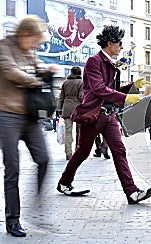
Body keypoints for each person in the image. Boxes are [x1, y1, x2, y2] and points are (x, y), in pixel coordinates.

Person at [57, 25, 151, 205]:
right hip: (93, 115)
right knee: (83, 152)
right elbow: (99, 90)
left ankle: (132, 193)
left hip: (109, 116)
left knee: (119, 150)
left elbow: (112, 91)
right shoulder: (93, 62)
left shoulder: (112, 65)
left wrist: (131, 85)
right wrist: (126, 97)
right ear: (110, 43)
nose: (121, 47)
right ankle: (64, 183)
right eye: (119, 43)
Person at [0, 15, 53, 237]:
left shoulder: (29, 51)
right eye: (34, 41)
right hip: (7, 115)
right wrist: (36, 80)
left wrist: (47, 69)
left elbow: (37, 66)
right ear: (24, 34)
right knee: (13, 169)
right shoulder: (4, 47)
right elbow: (12, 71)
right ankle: (13, 219)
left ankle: (37, 204)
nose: (35, 46)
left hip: (29, 117)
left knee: (44, 159)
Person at [60, 66, 82, 160]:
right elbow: (81, 97)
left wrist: (60, 109)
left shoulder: (65, 82)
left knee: (68, 132)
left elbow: (61, 97)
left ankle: (68, 153)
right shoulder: (81, 82)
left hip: (67, 108)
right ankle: (78, 152)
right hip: (78, 109)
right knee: (79, 131)